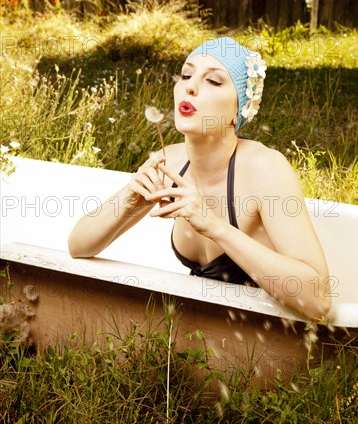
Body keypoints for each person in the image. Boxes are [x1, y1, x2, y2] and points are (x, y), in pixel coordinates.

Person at [68, 36, 331, 321]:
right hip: (200, 338)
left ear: (238, 111)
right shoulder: (170, 161)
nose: (190, 87)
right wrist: (130, 199)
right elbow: (79, 246)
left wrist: (213, 225)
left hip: (268, 342)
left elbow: (318, 301)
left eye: (214, 81)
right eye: (186, 74)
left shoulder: (263, 169)